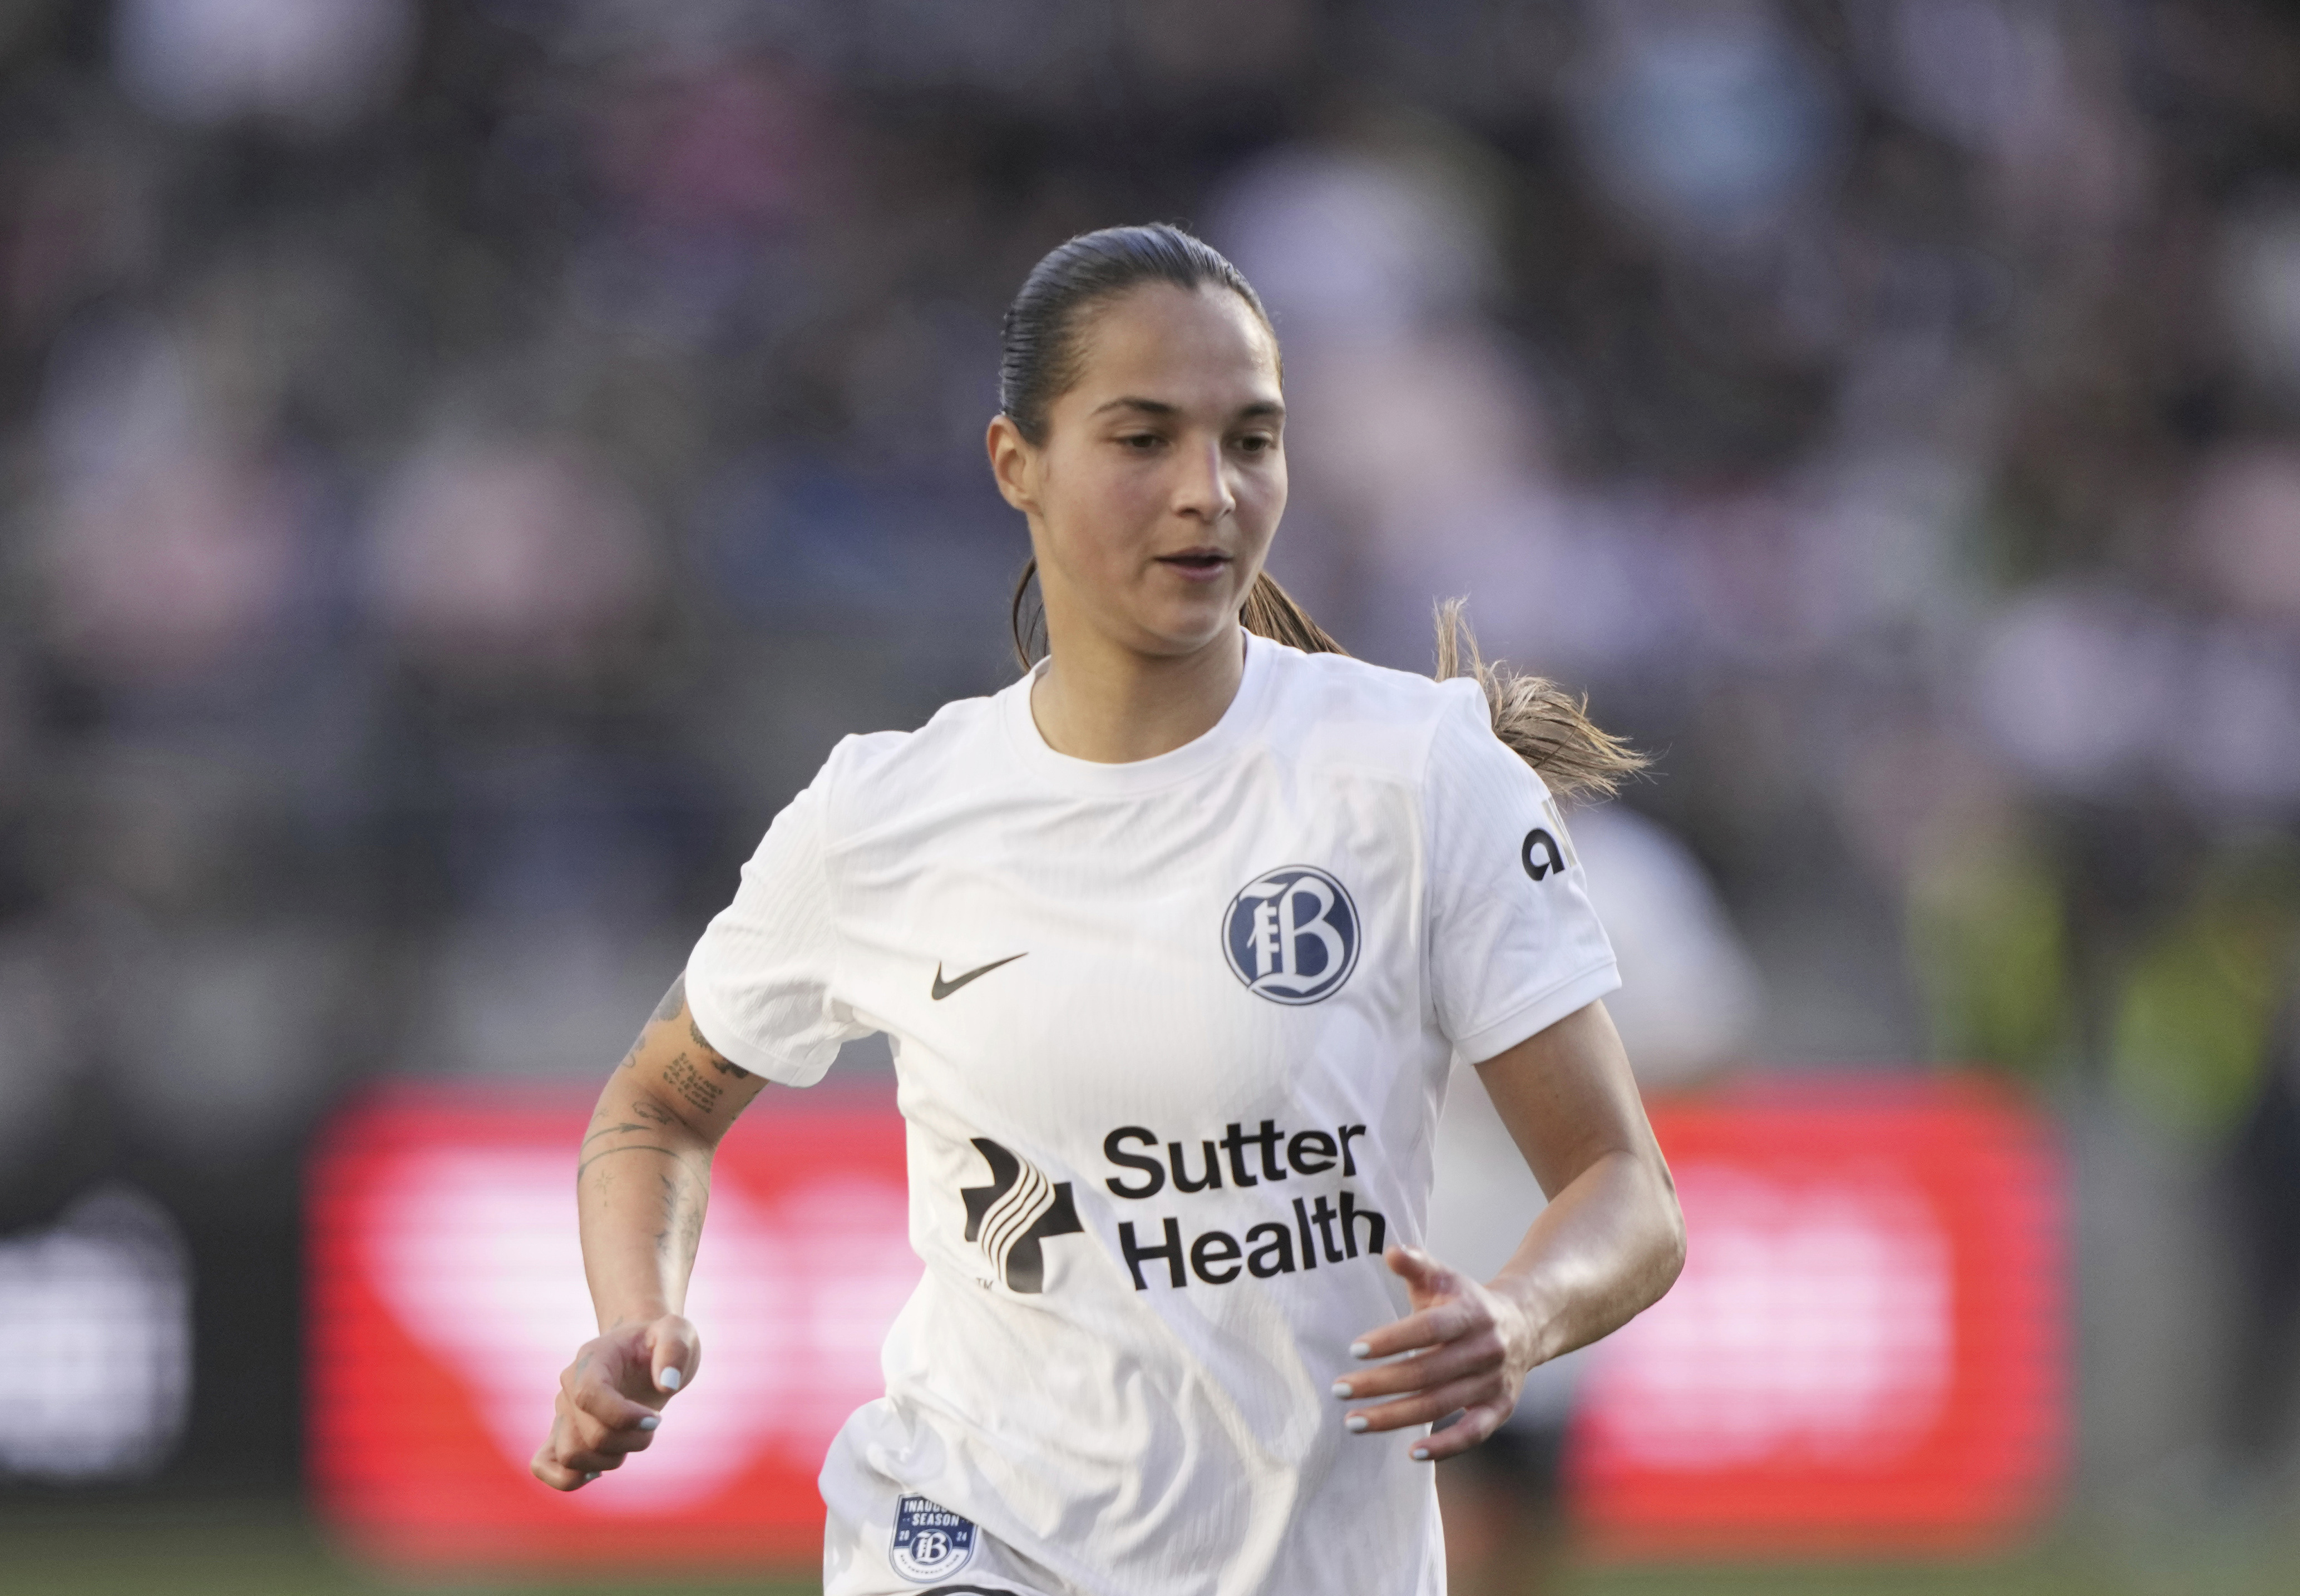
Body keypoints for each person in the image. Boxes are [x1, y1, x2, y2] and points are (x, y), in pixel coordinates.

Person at [528, 223, 1685, 1596]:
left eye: (1251, 441)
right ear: (1016, 462)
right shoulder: (885, 813)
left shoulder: (1421, 773)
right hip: (966, 1533)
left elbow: (1627, 1190)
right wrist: (634, 1315)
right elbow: (658, 1106)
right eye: (1143, 439)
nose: (1210, 490)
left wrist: (1520, 1313)